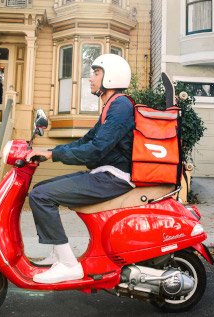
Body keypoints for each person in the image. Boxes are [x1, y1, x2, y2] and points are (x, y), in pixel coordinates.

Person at [24, 54, 135, 284]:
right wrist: (50, 152)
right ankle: (58, 253)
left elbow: (97, 149)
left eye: (96, 73)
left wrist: (54, 154)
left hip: (114, 177)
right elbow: (86, 141)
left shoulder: (121, 105)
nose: (90, 78)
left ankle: (68, 264)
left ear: (111, 77)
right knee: (42, 188)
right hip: (104, 173)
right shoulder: (111, 106)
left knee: (41, 195)